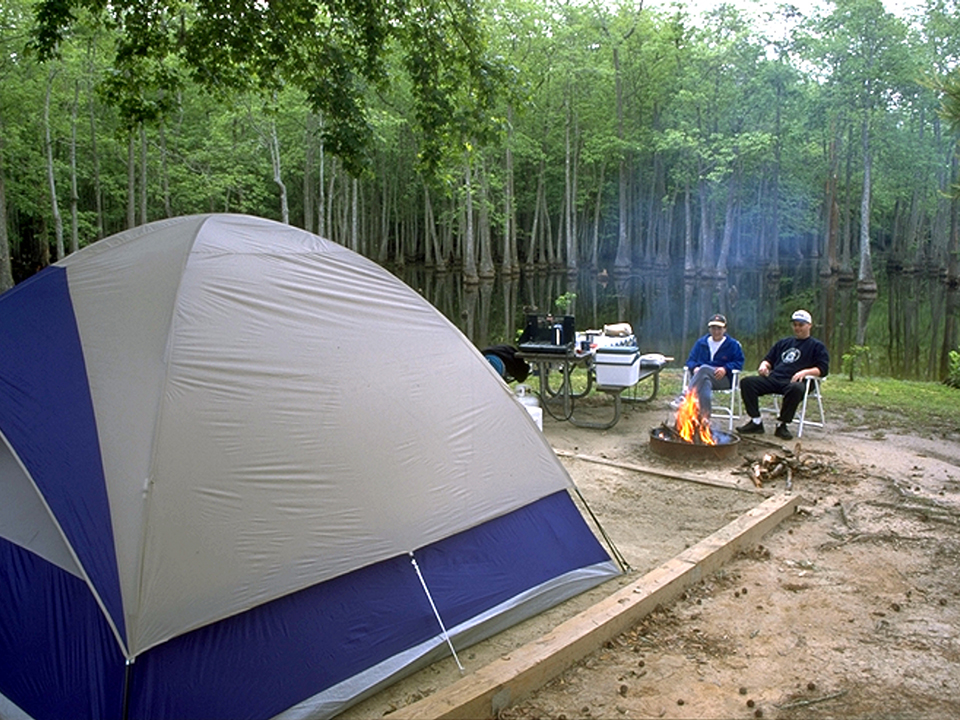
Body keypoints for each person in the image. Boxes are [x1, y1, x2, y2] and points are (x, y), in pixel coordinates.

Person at [737, 309, 829, 440]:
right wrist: (764, 366)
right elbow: (769, 359)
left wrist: (805, 372)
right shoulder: (783, 343)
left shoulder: (817, 346)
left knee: (795, 388)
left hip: (798, 382)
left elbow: (823, 369)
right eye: (795, 325)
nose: (797, 328)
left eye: (801, 325)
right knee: (747, 382)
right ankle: (756, 422)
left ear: (809, 325)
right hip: (776, 378)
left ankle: (782, 424)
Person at [677, 313, 745, 424]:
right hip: (702, 379)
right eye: (713, 328)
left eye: (719, 328)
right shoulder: (701, 343)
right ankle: (705, 418)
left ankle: (686, 395)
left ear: (725, 329)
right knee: (704, 381)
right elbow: (690, 360)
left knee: (703, 369)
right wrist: (694, 368)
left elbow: (739, 362)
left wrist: (725, 368)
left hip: (723, 379)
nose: (716, 331)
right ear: (709, 329)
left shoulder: (733, 345)